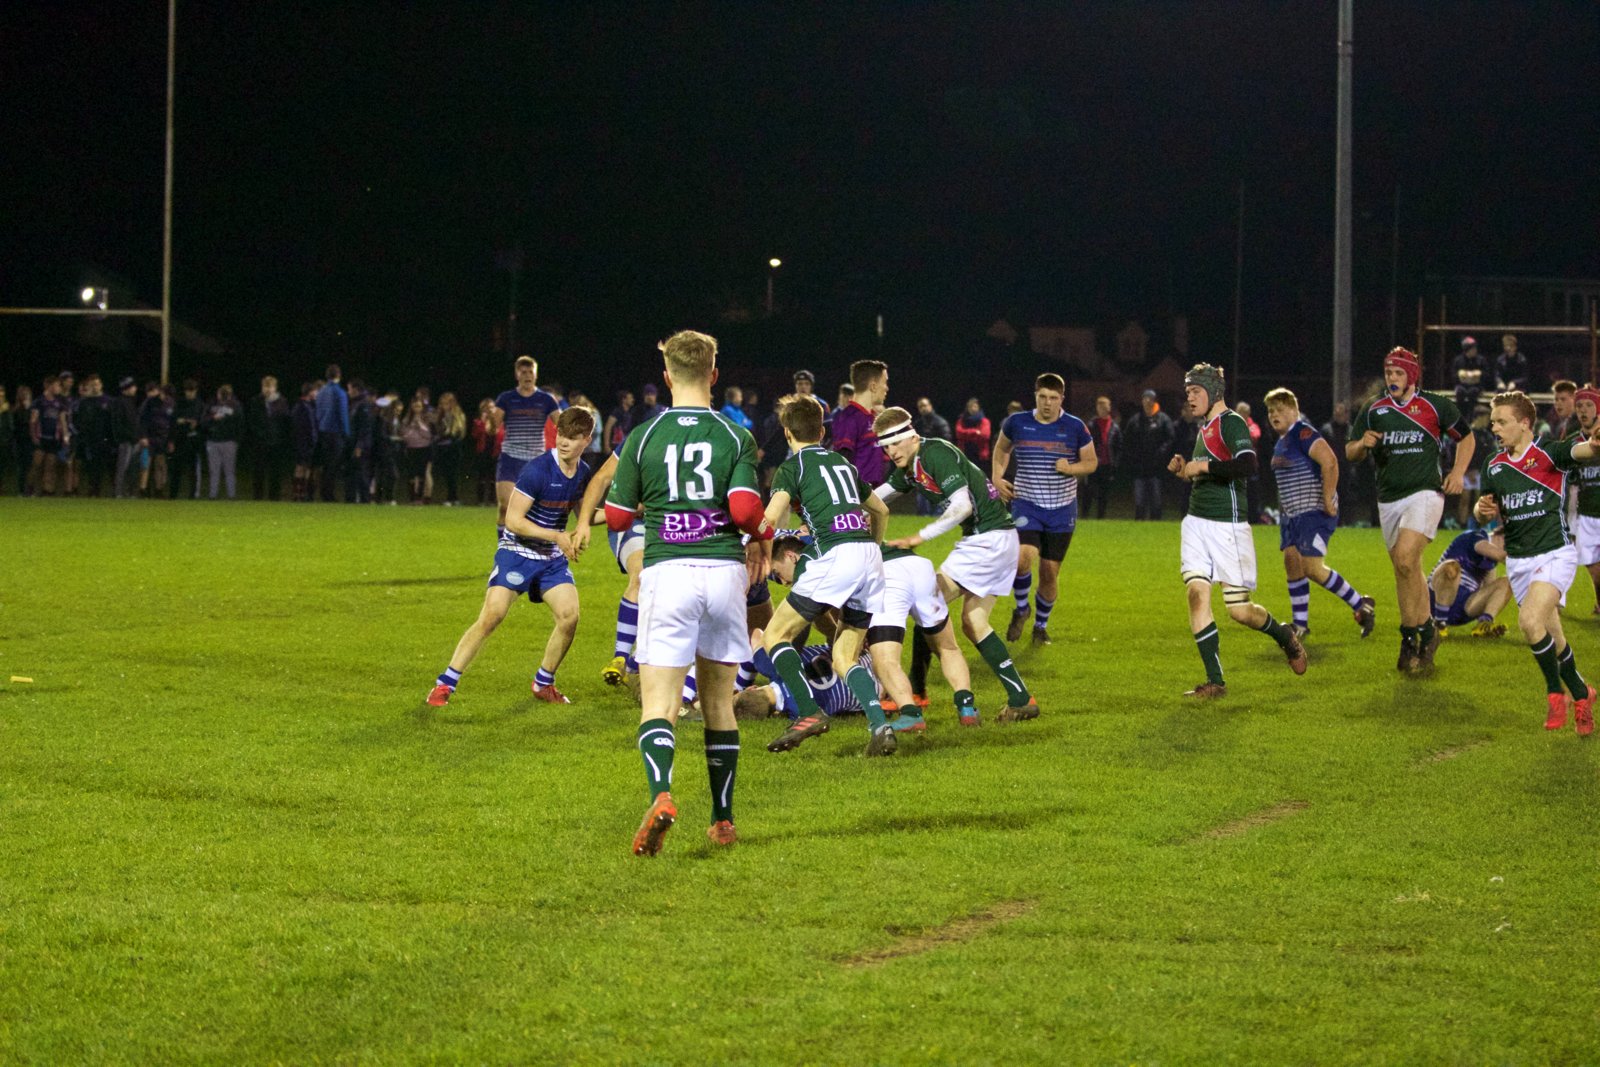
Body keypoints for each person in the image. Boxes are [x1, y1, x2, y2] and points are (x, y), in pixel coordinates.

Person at [604, 330, 766, 856]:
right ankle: (723, 819)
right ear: (714, 375)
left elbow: (618, 517)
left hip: (668, 571)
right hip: (722, 574)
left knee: (660, 702)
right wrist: (763, 534)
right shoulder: (736, 436)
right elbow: (744, 511)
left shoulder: (643, 436)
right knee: (719, 702)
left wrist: (652, 503)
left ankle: (662, 795)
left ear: (667, 377)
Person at [872, 406, 1040, 724]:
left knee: (926, 602)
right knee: (973, 622)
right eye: (885, 446)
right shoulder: (910, 466)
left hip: (987, 540)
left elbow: (962, 506)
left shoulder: (935, 453)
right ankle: (1021, 698)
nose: (891, 452)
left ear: (911, 436)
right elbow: (876, 499)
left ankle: (916, 694)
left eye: (894, 443)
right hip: (1000, 539)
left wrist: (919, 536)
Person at [757, 394, 899, 757]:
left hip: (836, 554)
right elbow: (880, 510)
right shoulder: (842, 463)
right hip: (869, 557)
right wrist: (873, 548)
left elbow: (771, 517)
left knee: (775, 634)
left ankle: (807, 712)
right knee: (844, 655)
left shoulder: (793, 467)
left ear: (787, 433)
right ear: (822, 432)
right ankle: (879, 726)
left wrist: (744, 534)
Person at [427, 406, 596, 709]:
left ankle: (543, 683)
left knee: (569, 616)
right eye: (561, 434)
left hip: (550, 559)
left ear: (587, 440)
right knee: (492, 615)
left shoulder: (582, 473)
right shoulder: (538, 470)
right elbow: (514, 521)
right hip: (517, 552)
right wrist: (557, 536)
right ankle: (445, 683)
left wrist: (632, 512)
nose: (563, 441)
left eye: (572, 437)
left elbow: (585, 516)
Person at [1167, 365, 1308, 698]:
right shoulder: (1204, 428)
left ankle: (1284, 636)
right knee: (1196, 595)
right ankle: (1215, 681)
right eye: (1188, 393)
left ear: (1213, 392)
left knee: (1240, 611)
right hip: (1196, 523)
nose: (1190, 398)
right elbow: (1208, 472)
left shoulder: (1231, 422)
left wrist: (1202, 466)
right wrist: (1185, 470)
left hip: (1227, 526)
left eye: (1196, 391)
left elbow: (1247, 464)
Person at [1474, 391, 1600, 733]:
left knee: (1530, 622)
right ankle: (1582, 693)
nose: (1494, 428)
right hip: (1518, 563)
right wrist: (1481, 510)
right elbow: (1483, 510)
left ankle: (1555, 694)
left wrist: (1595, 444)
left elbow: (1584, 451)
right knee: (1554, 638)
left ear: (1524, 423)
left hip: (1555, 553)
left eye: (1501, 421)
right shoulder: (1494, 465)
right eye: (1493, 422)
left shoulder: (1550, 453)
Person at [1347, 347, 1474, 673]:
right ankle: (1422, 635)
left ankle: (1412, 635)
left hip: (1425, 493)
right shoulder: (1374, 409)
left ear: (1412, 376)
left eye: (1399, 373)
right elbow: (1350, 451)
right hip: (1388, 499)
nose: (1392, 378)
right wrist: (1362, 444)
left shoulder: (1435, 405)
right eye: (1388, 372)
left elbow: (1467, 437)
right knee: (1406, 569)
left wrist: (1458, 472)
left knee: (1405, 558)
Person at [1263, 388, 1375, 639]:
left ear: (1294, 410)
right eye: (1270, 411)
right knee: (1292, 562)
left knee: (1312, 567)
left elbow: (1330, 461)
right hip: (1293, 516)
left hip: (1313, 512)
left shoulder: (1302, 433)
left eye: (1280, 409)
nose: (1274, 415)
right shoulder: (1282, 442)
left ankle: (1360, 604)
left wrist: (1327, 497)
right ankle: (1300, 625)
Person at [993, 373, 1096, 645]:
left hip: (1062, 510)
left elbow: (1091, 462)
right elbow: (1001, 449)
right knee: (1021, 559)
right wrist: (997, 477)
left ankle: (1040, 626)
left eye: (1053, 398)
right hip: (1026, 503)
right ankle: (1021, 608)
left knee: (1049, 573)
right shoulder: (1017, 422)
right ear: (1035, 396)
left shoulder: (1075, 427)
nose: (1047, 403)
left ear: (1062, 399)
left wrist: (1070, 468)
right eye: (1042, 397)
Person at [492, 355, 561, 534]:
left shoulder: (546, 399)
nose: (527, 375)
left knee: (532, 511)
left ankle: (529, 546)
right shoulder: (506, 398)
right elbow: (493, 427)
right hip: (510, 458)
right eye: (523, 372)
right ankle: (503, 545)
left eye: (530, 372)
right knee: (505, 507)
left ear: (536, 375)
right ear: (517, 375)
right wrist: (490, 422)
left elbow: (561, 424)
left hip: (535, 460)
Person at [1428, 526, 1511, 638]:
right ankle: (1439, 623)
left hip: (1464, 608)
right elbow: (1489, 550)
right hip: (1435, 600)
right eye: (1508, 547)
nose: (1508, 551)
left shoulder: (1491, 562)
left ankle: (1484, 624)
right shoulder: (1475, 536)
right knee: (1451, 567)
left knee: (1507, 582)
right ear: (1500, 536)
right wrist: (1524, 563)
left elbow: (1489, 588)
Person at [830, 360, 889, 488]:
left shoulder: (873, 417)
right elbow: (842, 463)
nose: (887, 388)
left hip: (874, 493)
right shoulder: (849, 418)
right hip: (857, 496)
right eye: (885, 382)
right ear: (873, 386)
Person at [1124, 389, 1175, 520]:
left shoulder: (1163, 419)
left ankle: (1155, 525)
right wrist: (1133, 456)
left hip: (1157, 469)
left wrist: (1161, 453)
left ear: (1154, 401)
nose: (1147, 401)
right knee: (1139, 502)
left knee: (1156, 501)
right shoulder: (1135, 420)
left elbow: (1170, 439)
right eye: (1145, 398)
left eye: (1150, 399)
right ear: (1141, 401)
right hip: (1139, 469)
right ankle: (1139, 524)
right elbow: (1127, 440)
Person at [247, 376, 291, 501]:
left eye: (269, 387)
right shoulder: (255, 401)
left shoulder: (282, 401)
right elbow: (252, 421)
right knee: (258, 472)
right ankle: (258, 498)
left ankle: (274, 498)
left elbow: (286, 422)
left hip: (277, 442)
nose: (267, 389)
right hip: (260, 442)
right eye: (265, 386)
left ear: (274, 388)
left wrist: (282, 438)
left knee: (275, 472)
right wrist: (259, 434)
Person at [313, 363, 349, 502]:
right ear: (339, 375)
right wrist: (346, 433)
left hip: (323, 432)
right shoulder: (340, 393)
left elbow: (318, 412)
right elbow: (342, 415)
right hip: (335, 433)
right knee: (333, 465)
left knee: (326, 464)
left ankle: (324, 492)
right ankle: (328, 494)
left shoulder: (321, 392)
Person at [74, 374, 113, 497]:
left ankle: (111, 490)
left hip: (106, 439)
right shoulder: (85, 402)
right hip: (90, 439)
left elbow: (113, 420)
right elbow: (80, 420)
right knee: (91, 465)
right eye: (92, 385)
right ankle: (93, 489)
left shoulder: (108, 401)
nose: (95, 387)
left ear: (101, 385)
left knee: (107, 465)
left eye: (96, 384)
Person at [28, 374, 67, 495]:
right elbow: (33, 420)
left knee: (50, 465)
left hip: (53, 439)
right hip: (41, 438)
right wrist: (33, 436)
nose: (59, 388)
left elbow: (62, 420)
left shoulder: (59, 403)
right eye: (57, 385)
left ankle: (47, 490)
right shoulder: (39, 401)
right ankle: (30, 488)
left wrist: (65, 436)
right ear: (50, 386)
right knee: (36, 464)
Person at [203, 384, 243, 499]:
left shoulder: (235, 405)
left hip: (229, 441)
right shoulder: (211, 404)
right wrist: (212, 418)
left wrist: (236, 440)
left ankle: (231, 496)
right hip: (213, 441)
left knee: (229, 470)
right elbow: (203, 421)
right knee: (214, 470)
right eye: (222, 394)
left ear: (230, 395)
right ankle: (213, 495)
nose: (223, 396)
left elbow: (240, 423)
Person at [1085, 395, 1120, 519]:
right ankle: (1084, 516)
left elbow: (1119, 447)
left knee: (1104, 494)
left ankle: (1101, 517)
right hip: (1093, 464)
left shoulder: (1114, 427)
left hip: (1107, 465)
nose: (1102, 410)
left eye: (1104, 407)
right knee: (1089, 491)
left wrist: (1115, 463)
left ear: (1109, 408)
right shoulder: (1091, 425)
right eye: (1100, 407)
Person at [169, 378, 205, 499]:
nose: (190, 393)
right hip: (180, 439)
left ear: (196, 390)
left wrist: (196, 424)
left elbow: (203, 421)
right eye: (188, 390)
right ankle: (173, 495)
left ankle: (192, 496)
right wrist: (171, 440)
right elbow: (174, 421)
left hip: (193, 441)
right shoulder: (179, 403)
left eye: (192, 390)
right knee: (176, 469)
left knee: (193, 470)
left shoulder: (200, 404)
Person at [110, 376, 144, 498]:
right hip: (126, 441)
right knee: (123, 467)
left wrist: (138, 437)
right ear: (126, 388)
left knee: (132, 468)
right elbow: (118, 424)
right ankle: (118, 493)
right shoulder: (119, 402)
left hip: (134, 440)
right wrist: (131, 437)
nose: (135, 388)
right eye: (132, 386)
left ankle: (130, 492)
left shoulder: (131, 401)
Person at [432, 392, 468, 506]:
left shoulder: (458, 415)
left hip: (453, 448)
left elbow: (459, 433)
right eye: (442, 403)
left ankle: (453, 498)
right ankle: (451, 497)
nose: (444, 406)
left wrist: (446, 436)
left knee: (453, 474)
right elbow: (436, 430)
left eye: (446, 403)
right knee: (446, 474)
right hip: (442, 448)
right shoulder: (440, 415)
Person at [343, 379, 376, 503]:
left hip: (359, 445)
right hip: (351, 443)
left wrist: (359, 446)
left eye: (349, 389)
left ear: (356, 389)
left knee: (361, 473)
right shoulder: (354, 403)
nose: (348, 392)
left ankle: (364, 500)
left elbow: (365, 428)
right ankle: (350, 499)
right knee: (351, 472)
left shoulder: (363, 404)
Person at [138, 382, 172, 496]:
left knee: (160, 464)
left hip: (163, 438)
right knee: (145, 464)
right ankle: (143, 490)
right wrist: (143, 436)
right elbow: (141, 420)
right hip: (149, 438)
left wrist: (170, 439)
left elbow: (172, 421)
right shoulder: (149, 402)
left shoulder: (170, 403)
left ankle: (159, 490)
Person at [400, 397, 435, 503]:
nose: (417, 408)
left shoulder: (427, 419)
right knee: (411, 474)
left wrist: (419, 424)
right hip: (411, 449)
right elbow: (404, 435)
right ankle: (412, 497)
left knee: (421, 474)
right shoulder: (406, 420)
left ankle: (419, 497)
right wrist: (411, 428)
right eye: (415, 406)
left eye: (419, 406)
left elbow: (428, 435)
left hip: (424, 449)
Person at [290, 381, 319, 502]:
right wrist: (313, 441)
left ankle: (299, 493)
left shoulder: (300, 406)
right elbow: (310, 427)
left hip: (300, 442)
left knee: (301, 467)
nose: (316, 394)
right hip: (305, 443)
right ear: (310, 392)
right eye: (315, 392)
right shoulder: (305, 407)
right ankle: (300, 494)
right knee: (303, 468)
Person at [471, 397, 502, 506]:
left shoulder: (500, 422)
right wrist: (482, 423)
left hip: (496, 453)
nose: (489, 410)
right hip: (483, 453)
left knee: (494, 478)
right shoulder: (478, 422)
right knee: (482, 477)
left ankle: (492, 500)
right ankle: (480, 500)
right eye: (487, 408)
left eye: (492, 407)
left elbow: (502, 436)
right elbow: (475, 435)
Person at [1451, 336, 1489, 416]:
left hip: (1476, 386)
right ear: (1467, 350)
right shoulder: (1458, 360)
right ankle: (1460, 416)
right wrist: (1462, 375)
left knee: (1472, 392)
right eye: (1473, 348)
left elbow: (1486, 374)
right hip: (1462, 385)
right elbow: (1453, 375)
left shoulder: (1480, 360)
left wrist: (1477, 375)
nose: (1475, 350)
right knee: (1460, 392)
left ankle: (1471, 417)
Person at [953, 398, 991, 466]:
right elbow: (959, 434)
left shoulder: (984, 421)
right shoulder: (961, 420)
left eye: (975, 407)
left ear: (978, 408)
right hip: (965, 453)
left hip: (980, 455)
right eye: (970, 407)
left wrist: (966, 435)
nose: (973, 409)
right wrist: (975, 432)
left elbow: (985, 436)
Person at [603, 389, 634, 453]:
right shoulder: (617, 412)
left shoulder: (629, 413)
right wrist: (606, 445)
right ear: (624, 400)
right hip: (616, 445)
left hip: (625, 445)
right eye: (630, 398)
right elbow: (608, 426)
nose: (632, 400)